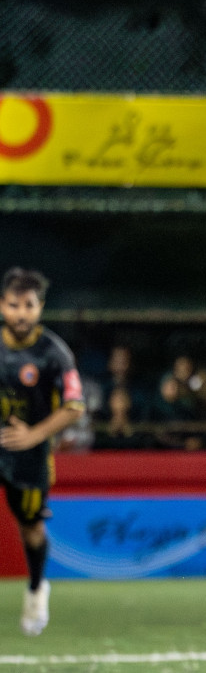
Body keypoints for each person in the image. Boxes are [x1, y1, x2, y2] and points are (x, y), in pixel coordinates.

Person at [0, 268, 85, 636]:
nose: (21, 313)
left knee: (31, 528)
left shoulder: (54, 353)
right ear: (1, 305)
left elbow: (74, 406)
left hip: (29, 457)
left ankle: (36, 588)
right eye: (14, 305)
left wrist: (34, 435)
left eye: (29, 306)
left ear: (40, 307)